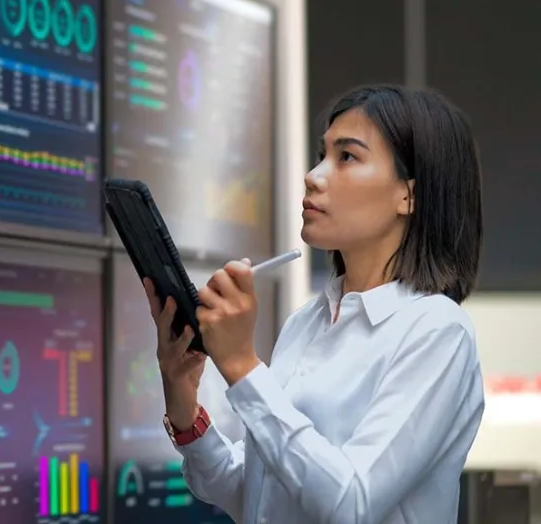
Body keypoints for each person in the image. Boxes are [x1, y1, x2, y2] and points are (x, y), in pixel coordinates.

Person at [146, 84, 485, 523]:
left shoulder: (438, 331)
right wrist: (183, 402)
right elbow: (252, 494)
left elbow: (351, 504)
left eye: (347, 157)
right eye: (321, 155)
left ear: (409, 195)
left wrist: (242, 367)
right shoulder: (306, 322)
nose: (314, 175)